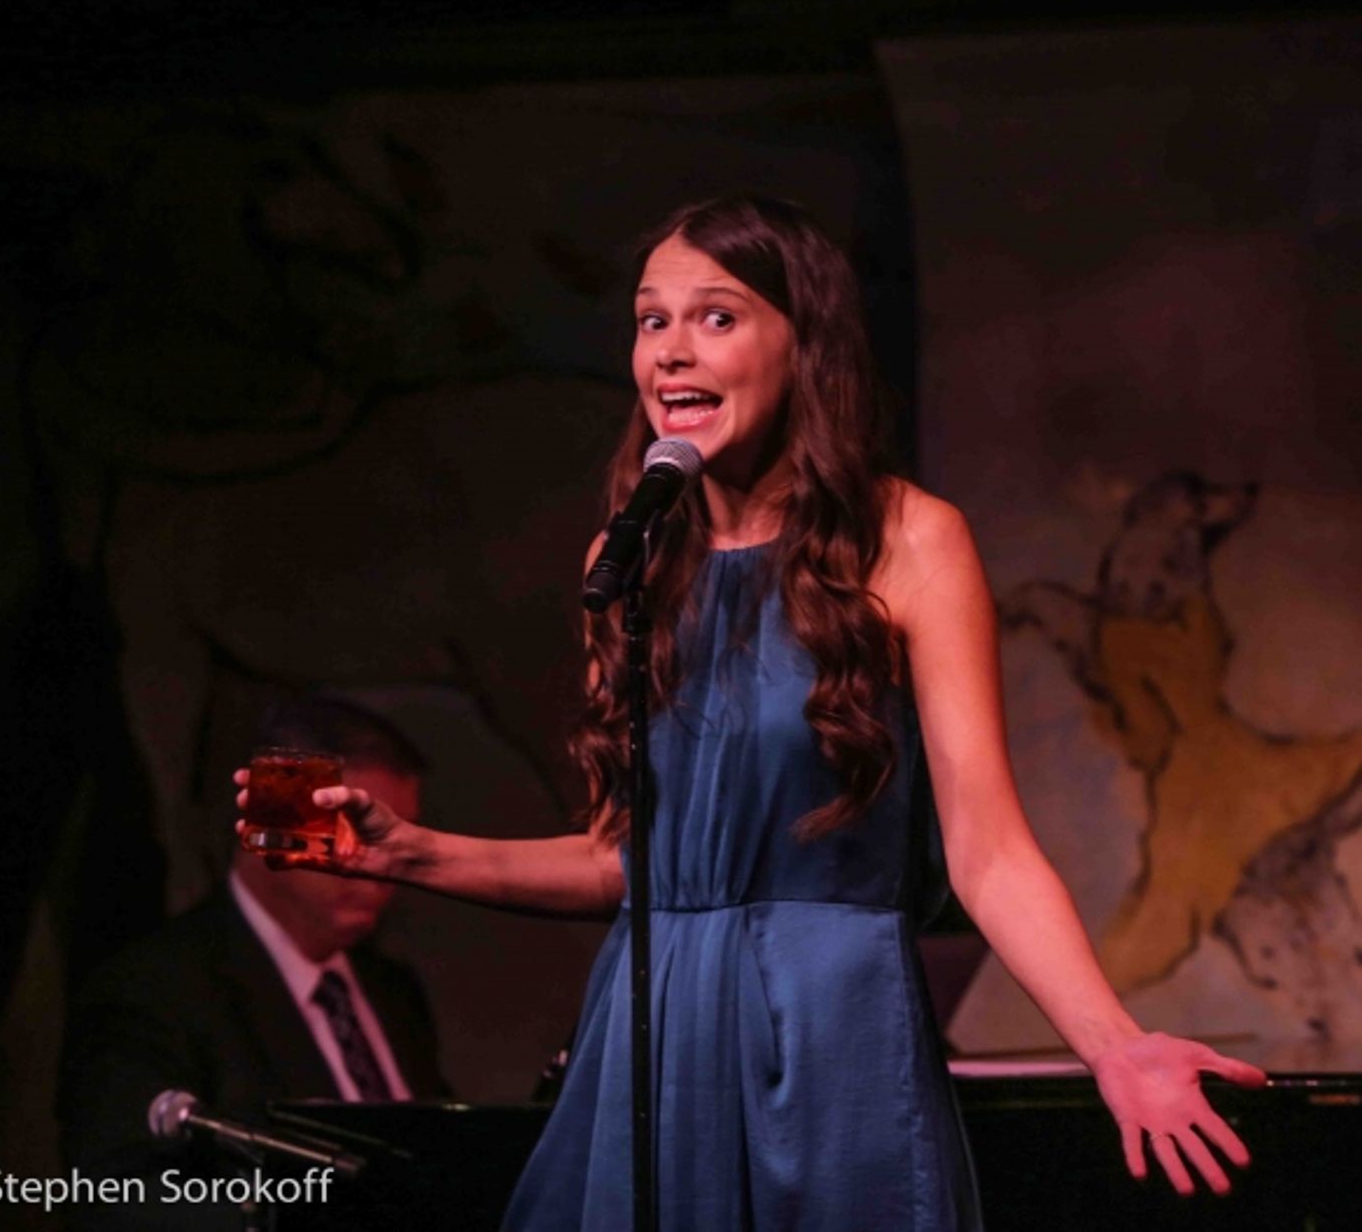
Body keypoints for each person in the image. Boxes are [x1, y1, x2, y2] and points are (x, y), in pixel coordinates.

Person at [236, 196, 1266, 1231]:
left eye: (715, 318)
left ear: (800, 347)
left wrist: (1111, 1043)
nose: (672, 353)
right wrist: (409, 853)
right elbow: (627, 861)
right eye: (651, 321)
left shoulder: (907, 542)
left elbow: (985, 849)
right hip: (653, 1046)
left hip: (832, 1035)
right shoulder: (625, 559)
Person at [61, 696, 451, 1231]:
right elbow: (118, 1197)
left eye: (399, 838)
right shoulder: (153, 992)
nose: (381, 864)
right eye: (355, 832)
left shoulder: (391, 990)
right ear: (268, 821)